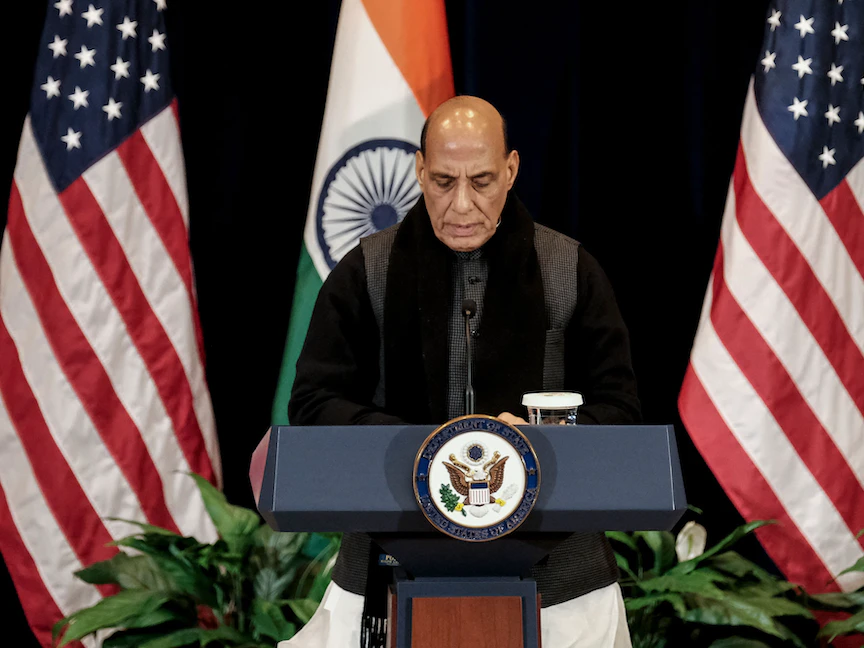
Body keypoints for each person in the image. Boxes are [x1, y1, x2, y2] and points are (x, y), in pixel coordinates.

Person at [284, 96, 640, 648]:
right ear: (419, 170)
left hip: (561, 582)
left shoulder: (569, 269)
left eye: (482, 181)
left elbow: (619, 409)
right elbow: (312, 403)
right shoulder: (367, 270)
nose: (462, 204)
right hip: (387, 562)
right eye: (444, 181)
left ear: (511, 170)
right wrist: (423, 447)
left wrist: (542, 443)